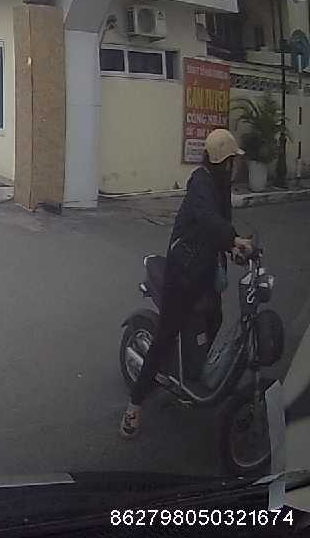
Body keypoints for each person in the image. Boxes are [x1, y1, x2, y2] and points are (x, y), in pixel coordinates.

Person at [120, 128, 253, 439]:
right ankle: (134, 406)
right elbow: (207, 218)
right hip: (182, 273)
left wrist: (232, 246)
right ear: (224, 162)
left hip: (204, 271)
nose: (236, 165)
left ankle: (192, 370)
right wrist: (233, 238)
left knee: (214, 318)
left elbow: (219, 226)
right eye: (233, 160)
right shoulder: (201, 182)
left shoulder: (221, 185)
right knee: (165, 336)